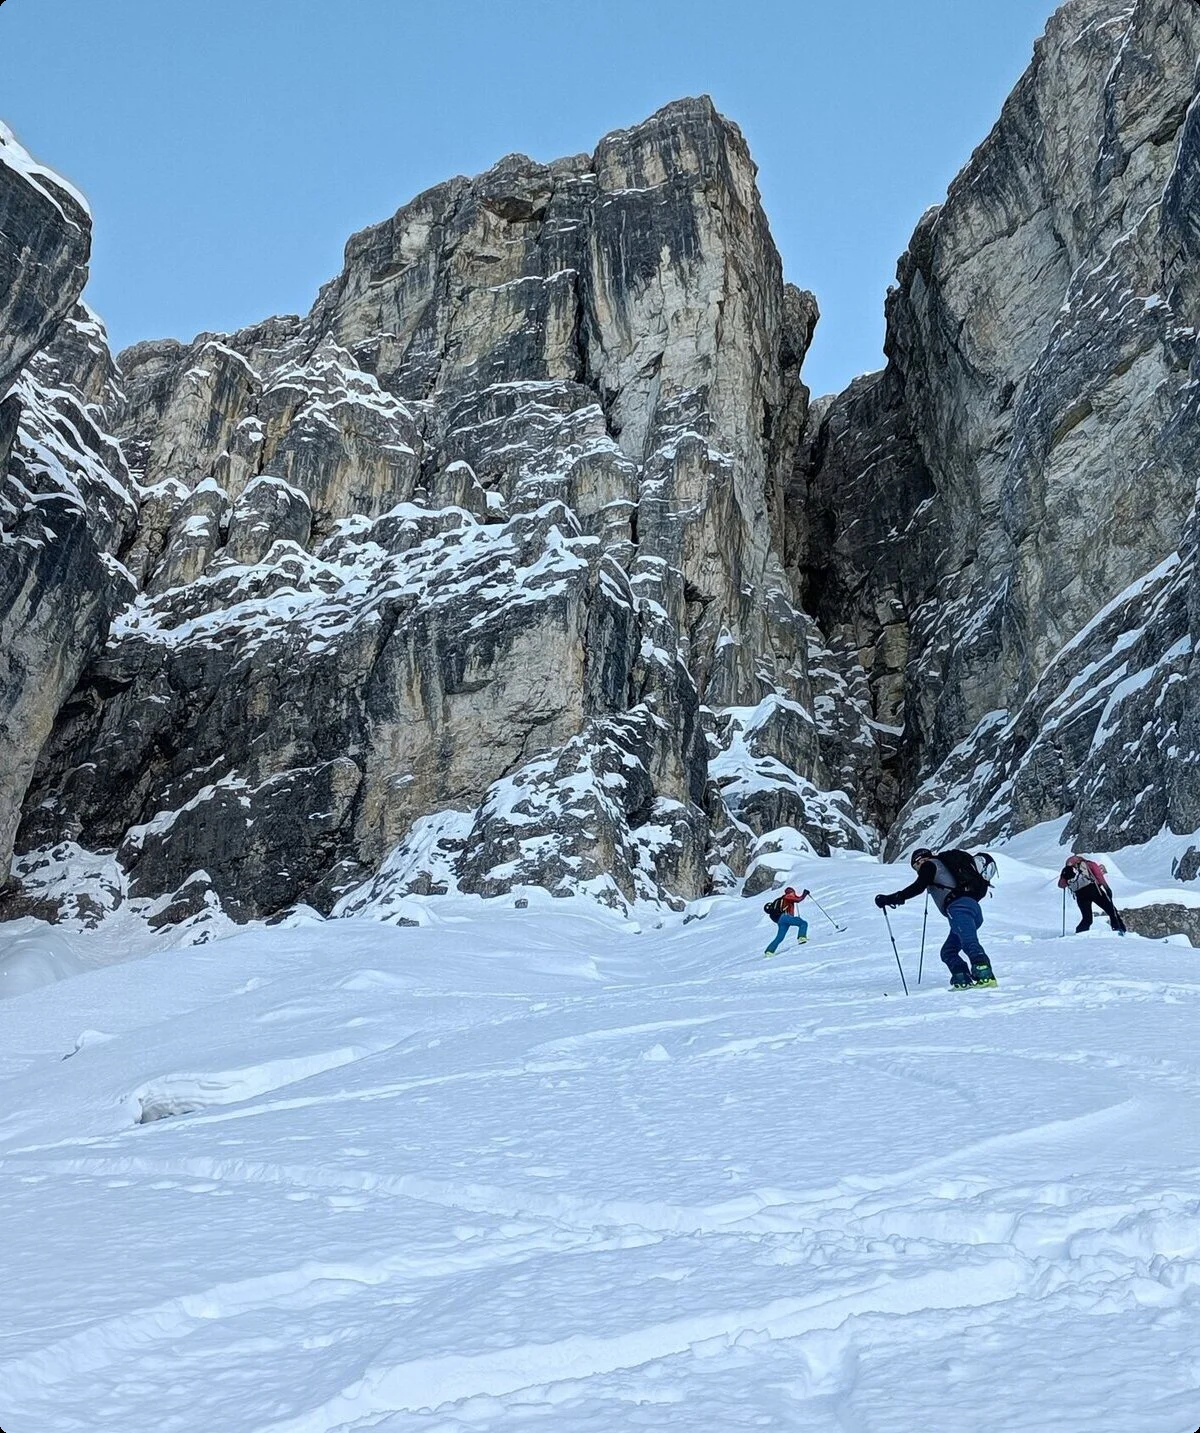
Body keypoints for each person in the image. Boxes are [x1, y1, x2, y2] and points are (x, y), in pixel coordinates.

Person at [875, 848, 996, 988]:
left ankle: (985, 976)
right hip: (972, 909)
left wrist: (892, 898)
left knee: (969, 943)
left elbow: (918, 887)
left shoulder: (930, 864)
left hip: (958, 908)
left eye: (916, 865)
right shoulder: (945, 866)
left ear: (920, 860)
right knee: (948, 951)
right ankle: (962, 979)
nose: (918, 869)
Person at [1058, 854, 1126, 934]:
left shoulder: (1067, 870)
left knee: (1087, 918)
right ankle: (1119, 930)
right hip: (1093, 890)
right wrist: (1107, 888)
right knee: (1111, 910)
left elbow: (1061, 885)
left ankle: (1080, 934)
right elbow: (1099, 876)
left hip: (1080, 895)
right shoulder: (1088, 864)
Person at [764, 886, 809, 955]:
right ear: (790, 892)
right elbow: (798, 899)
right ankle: (802, 937)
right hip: (785, 917)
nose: (794, 894)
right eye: (793, 893)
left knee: (780, 937)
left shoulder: (785, 898)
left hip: (780, 921)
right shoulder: (787, 896)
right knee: (803, 923)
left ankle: (769, 951)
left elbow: (796, 899)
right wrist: (804, 894)